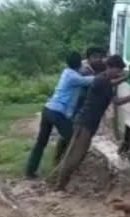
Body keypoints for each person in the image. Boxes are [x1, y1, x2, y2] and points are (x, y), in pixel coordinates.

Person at [53, 55, 130, 191]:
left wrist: (125, 78)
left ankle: (57, 181)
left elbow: (111, 83)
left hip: (85, 123)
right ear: (110, 67)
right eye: (118, 70)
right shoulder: (103, 82)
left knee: (74, 153)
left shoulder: (102, 78)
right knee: (75, 155)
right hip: (85, 124)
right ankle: (59, 185)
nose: (118, 73)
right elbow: (117, 102)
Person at [25, 51, 96, 179]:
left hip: (48, 109)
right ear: (79, 63)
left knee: (41, 143)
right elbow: (94, 80)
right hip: (58, 113)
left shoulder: (67, 72)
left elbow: (83, 71)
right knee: (73, 140)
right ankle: (63, 170)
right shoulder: (75, 78)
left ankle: (30, 171)